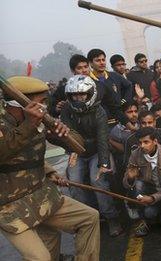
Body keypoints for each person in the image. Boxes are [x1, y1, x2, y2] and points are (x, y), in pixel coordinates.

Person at [0, 76, 100, 260]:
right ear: (19, 104)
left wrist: (61, 135)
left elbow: (79, 146)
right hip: (9, 207)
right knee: (41, 258)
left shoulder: (38, 120)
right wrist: (28, 125)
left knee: (89, 218)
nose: (45, 107)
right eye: (42, 102)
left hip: (41, 196)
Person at [61, 75, 123, 237]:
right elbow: (68, 134)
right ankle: (85, 221)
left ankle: (111, 218)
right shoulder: (67, 109)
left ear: (90, 93)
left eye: (82, 94)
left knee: (98, 181)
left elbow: (103, 139)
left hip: (97, 150)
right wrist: (72, 153)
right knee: (74, 182)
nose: (78, 98)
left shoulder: (99, 111)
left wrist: (103, 164)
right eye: (74, 95)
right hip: (77, 151)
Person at [123, 127, 161, 237]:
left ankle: (149, 215)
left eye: (146, 142)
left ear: (155, 141)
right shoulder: (135, 154)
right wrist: (129, 178)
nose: (142, 146)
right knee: (138, 184)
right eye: (140, 143)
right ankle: (140, 215)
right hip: (144, 189)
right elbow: (125, 184)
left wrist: (152, 198)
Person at [86, 49, 133, 129]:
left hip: (120, 120)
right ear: (90, 63)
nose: (101, 63)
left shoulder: (114, 76)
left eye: (103, 60)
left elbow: (129, 86)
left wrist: (124, 100)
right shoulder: (87, 81)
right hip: (101, 124)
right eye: (98, 60)